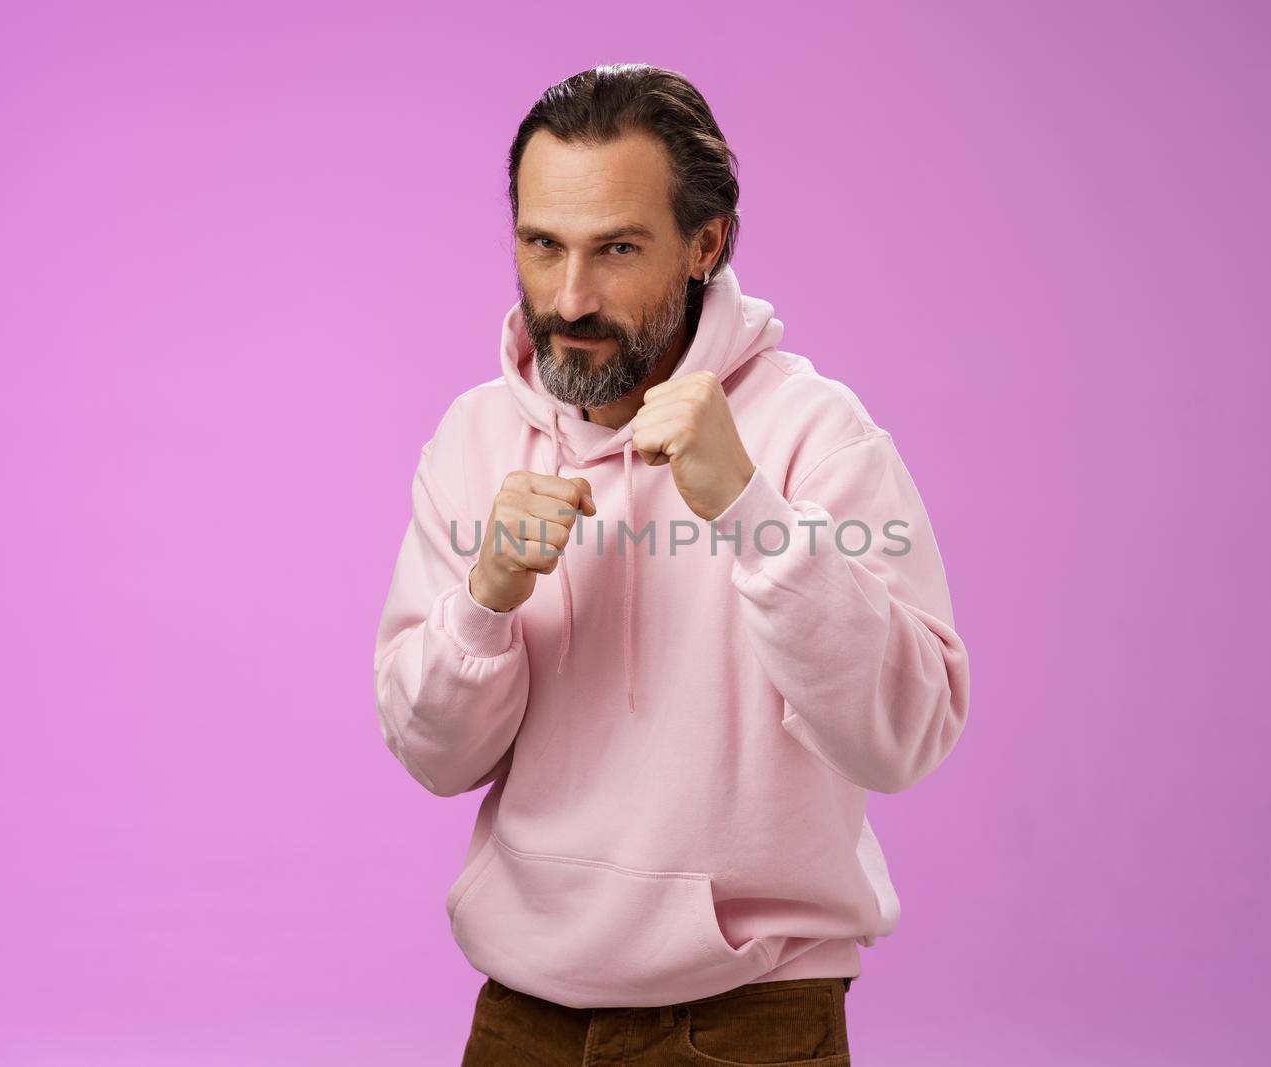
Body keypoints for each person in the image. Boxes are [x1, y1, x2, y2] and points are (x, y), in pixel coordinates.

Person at [372, 63, 971, 1064]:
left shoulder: (815, 435)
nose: (569, 295)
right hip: (522, 1011)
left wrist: (752, 512)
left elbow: (904, 735)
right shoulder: (472, 438)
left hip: (747, 1016)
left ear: (704, 245)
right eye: (541, 244)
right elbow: (434, 755)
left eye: (615, 249)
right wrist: (485, 600)